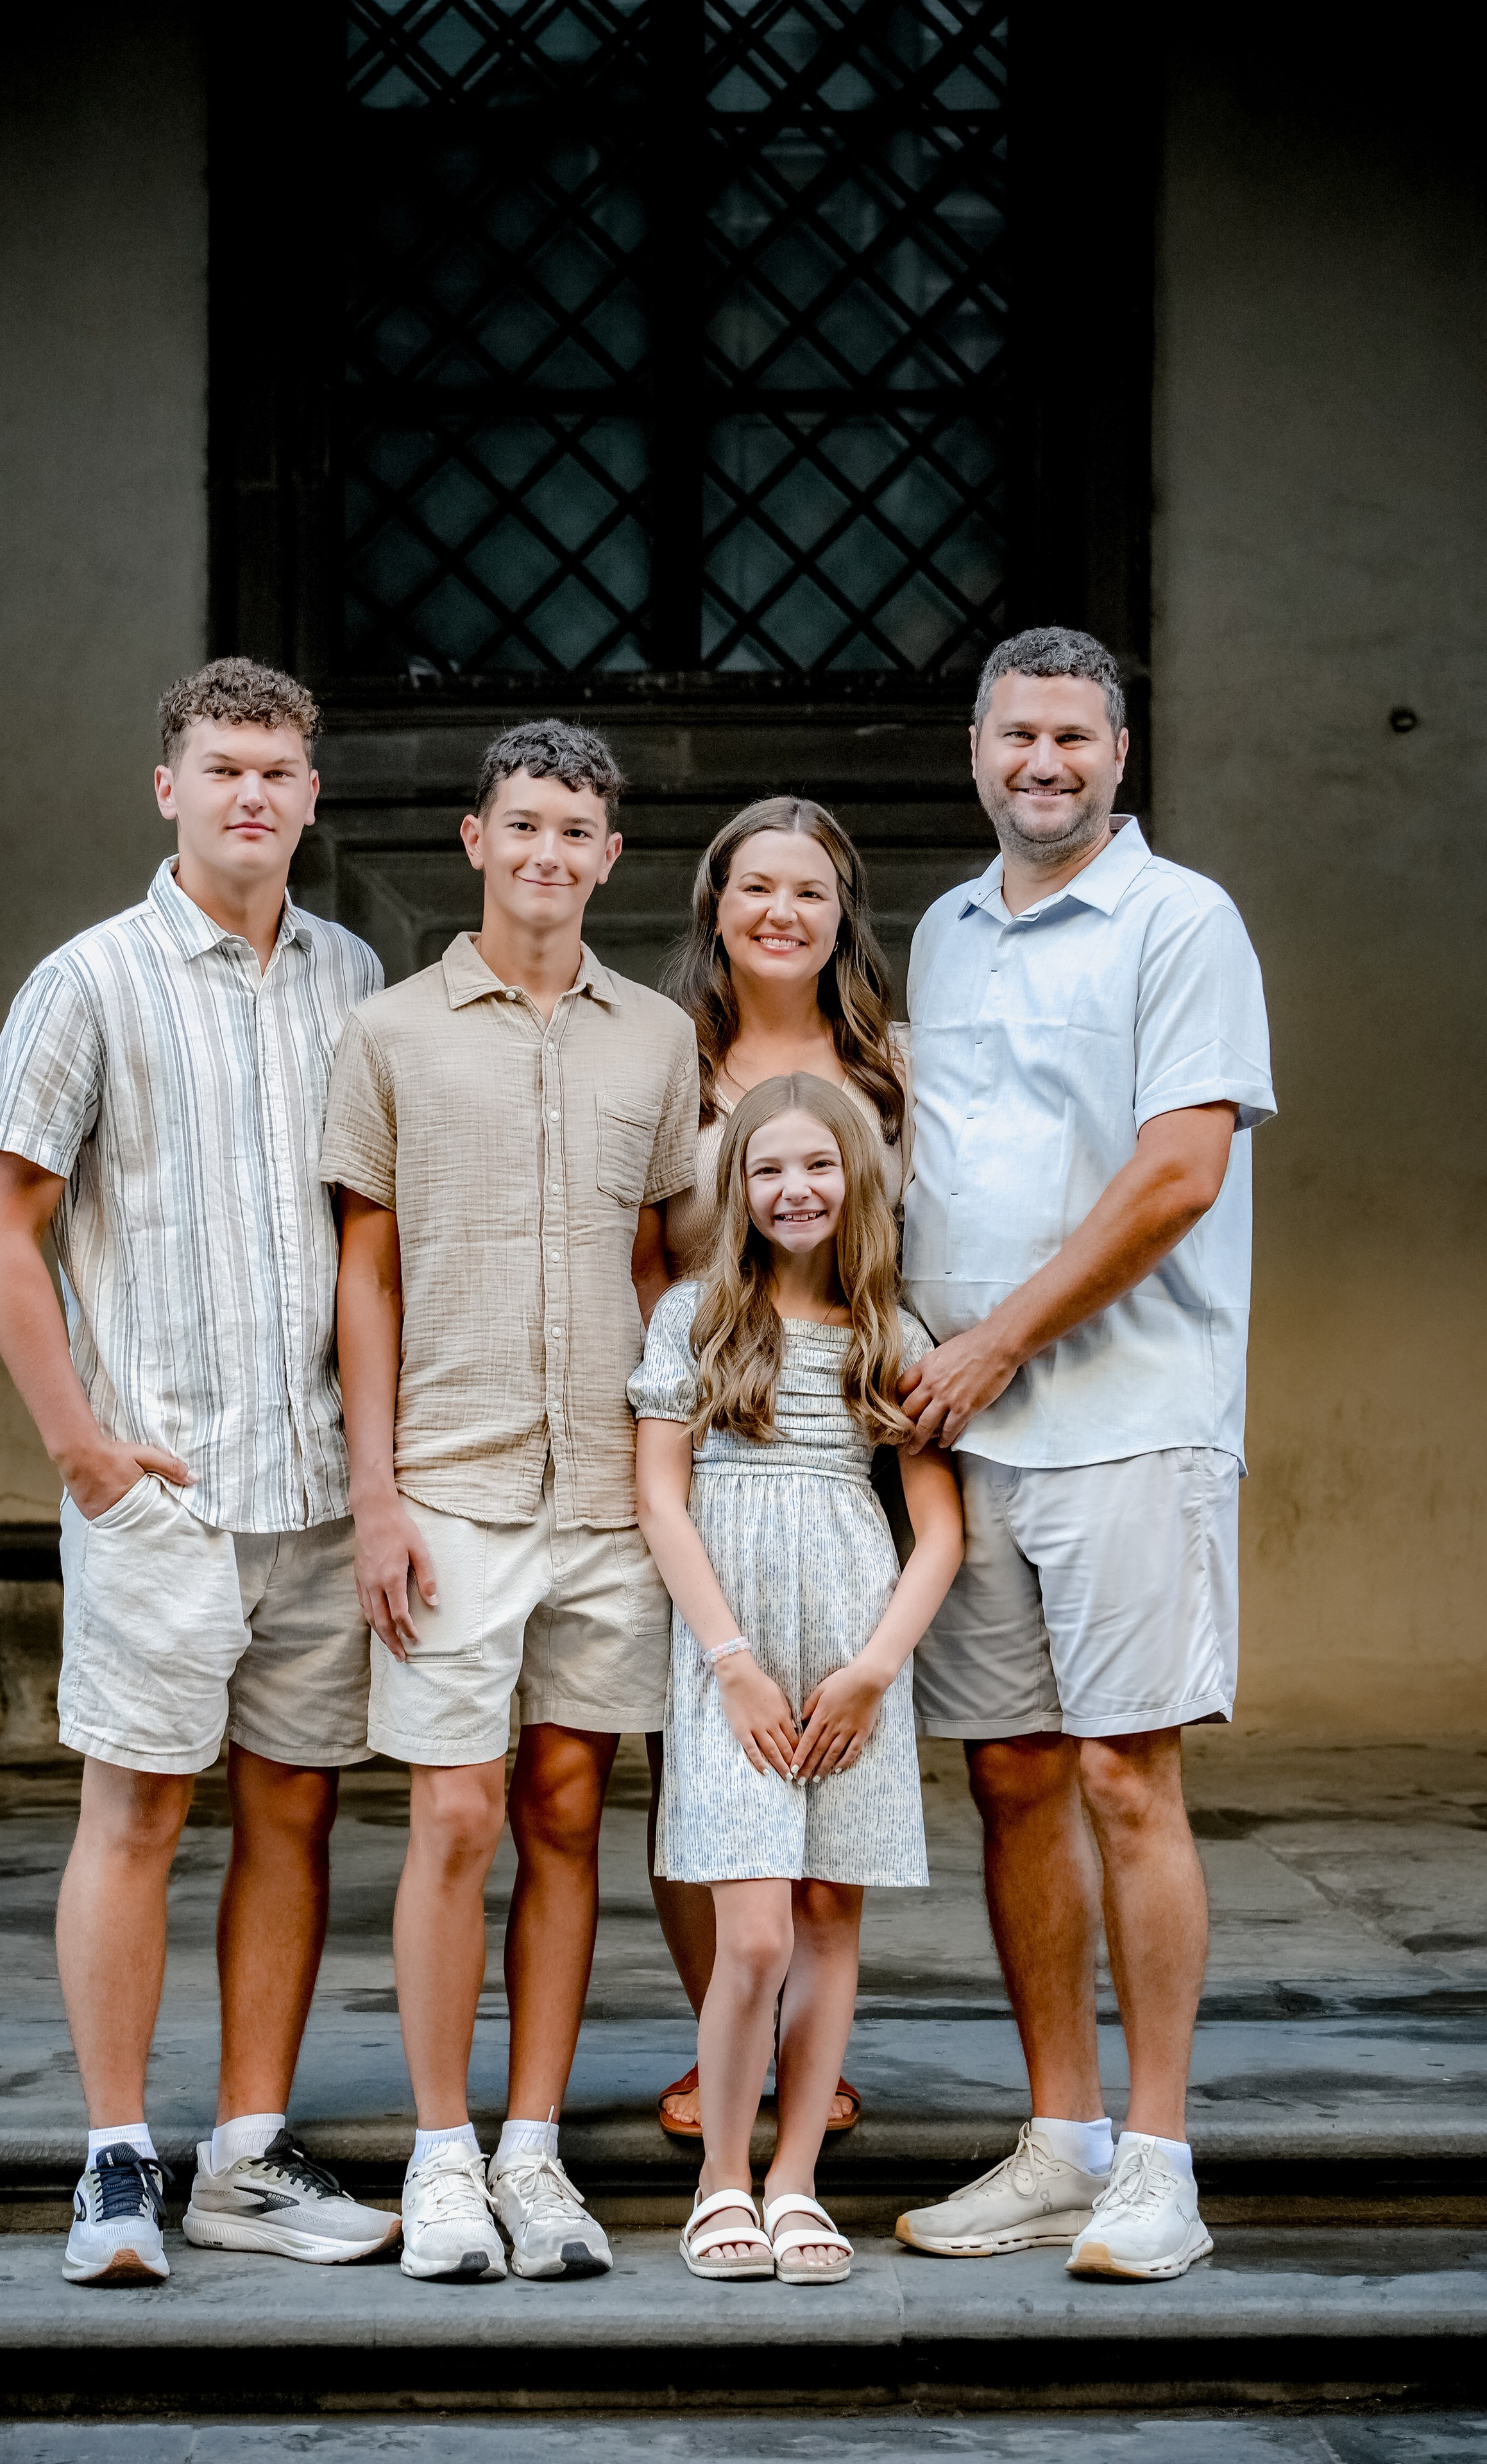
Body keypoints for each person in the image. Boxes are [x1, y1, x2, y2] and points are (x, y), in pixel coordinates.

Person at [0, 657, 399, 2287]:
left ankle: (245, 2152)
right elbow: (0, 1231)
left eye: (280, 771)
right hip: (162, 1488)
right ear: (169, 788)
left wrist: (377, 1476)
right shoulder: (83, 982)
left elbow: (372, 1243)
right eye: (222, 768)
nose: (252, 797)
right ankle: (111, 2163)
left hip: (308, 1485)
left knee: (294, 1820)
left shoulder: (353, 971)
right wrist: (80, 1447)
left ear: (309, 792)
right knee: (136, 1817)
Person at [893, 626, 1275, 2283]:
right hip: (973, 1434)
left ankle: (1162, 2161)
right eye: (1016, 735)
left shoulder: (1183, 921)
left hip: (1130, 1419)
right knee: (1012, 1777)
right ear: (974, 749)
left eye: (1073, 737)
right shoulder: (945, 933)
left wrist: (993, 1341)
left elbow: (1178, 1172)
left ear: (1121, 755)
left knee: (1127, 1774)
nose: (1042, 762)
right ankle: (1063, 2139)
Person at [323, 718, 699, 2285]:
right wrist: (373, 1491)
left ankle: (534, 2150)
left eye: (577, 832)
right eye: (522, 825)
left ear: (610, 859)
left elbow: (665, 1264)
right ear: (473, 841)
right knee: (456, 1814)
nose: (548, 854)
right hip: (455, 1483)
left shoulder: (655, 1040)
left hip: (606, 1493)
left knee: (563, 1812)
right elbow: (366, 1270)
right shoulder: (391, 1034)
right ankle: (439, 2157)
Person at [631, 1075, 961, 2281]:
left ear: (855, 1181)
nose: (795, 1190)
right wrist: (730, 1665)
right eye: (769, 1170)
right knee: (756, 1936)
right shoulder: (697, 1323)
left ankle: (794, 2183)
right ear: (738, 1189)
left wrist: (875, 1672)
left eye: (818, 1167)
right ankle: (721, 2177)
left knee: (828, 1920)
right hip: (737, 1658)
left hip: (850, 1654)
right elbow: (662, 1502)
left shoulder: (891, 1334)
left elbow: (939, 1534)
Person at [650, 796, 911, 2139]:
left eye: (808, 891)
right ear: (715, 903)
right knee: (703, 1763)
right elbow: (644, 1254)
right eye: (755, 888)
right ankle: (729, 2046)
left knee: (821, 1753)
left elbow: (908, 1245)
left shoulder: (886, 1065)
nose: (779, 914)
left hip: (836, 1425)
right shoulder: (666, 1057)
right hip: (696, 1414)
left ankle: (796, 2054)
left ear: (838, 913)